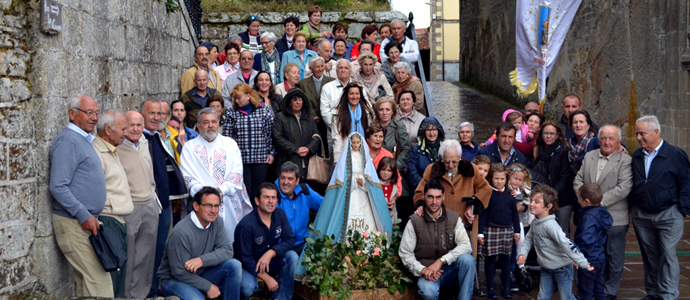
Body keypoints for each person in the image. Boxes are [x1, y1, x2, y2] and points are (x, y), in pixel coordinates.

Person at [50, 95, 112, 297]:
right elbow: (58, 186)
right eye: (89, 112)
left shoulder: (82, 139)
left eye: (96, 112)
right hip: (74, 222)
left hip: (85, 221)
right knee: (100, 287)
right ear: (72, 113)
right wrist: (83, 215)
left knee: (87, 286)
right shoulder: (69, 141)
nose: (94, 118)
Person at [629, 115, 689, 300]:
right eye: (637, 133)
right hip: (642, 215)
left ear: (656, 132)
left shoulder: (675, 154)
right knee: (650, 255)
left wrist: (682, 208)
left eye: (642, 133)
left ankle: (668, 295)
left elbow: (686, 181)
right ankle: (653, 293)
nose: (638, 137)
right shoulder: (637, 155)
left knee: (667, 254)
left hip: (669, 214)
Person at [573, 125, 633, 299]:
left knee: (613, 256)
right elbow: (578, 180)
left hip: (615, 217)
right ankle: (587, 290)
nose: (607, 142)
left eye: (611, 138)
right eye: (603, 138)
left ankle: (609, 291)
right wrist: (583, 199)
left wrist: (597, 203)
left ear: (619, 141)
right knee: (588, 253)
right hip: (588, 217)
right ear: (598, 140)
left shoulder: (625, 160)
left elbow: (624, 187)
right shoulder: (590, 156)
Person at [180, 107, 253, 241]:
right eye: (206, 122)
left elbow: (237, 172)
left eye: (214, 121)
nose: (210, 125)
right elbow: (187, 176)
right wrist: (207, 196)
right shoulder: (189, 147)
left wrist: (221, 190)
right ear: (198, 125)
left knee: (230, 241)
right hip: (202, 202)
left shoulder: (230, 144)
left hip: (228, 200)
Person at [413, 140, 493, 261]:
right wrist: (420, 205)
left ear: (460, 157)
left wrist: (472, 205)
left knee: (465, 260)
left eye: (455, 161)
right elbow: (420, 192)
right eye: (447, 161)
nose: (451, 165)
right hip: (439, 225)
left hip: (465, 224)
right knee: (442, 260)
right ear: (441, 158)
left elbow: (485, 189)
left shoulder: (471, 169)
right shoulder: (432, 170)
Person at [157, 187, 243, 300]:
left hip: (202, 272)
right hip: (173, 279)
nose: (213, 210)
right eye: (208, 205)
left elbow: (227, 250)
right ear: (196, 206)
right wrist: (208, 287)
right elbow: (179, 273)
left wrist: (201, 260)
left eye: (216, 206)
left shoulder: (217, 221)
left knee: (234, 265)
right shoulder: (181, 232)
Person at [399, 179, 476, 300]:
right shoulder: (415, 220)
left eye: (438, 197)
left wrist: (441, 261)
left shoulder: (453, 217)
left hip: (449, 268)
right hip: (427, 271)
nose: (434, 202)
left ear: (444, 197)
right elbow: (405, 252)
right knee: (427, 291)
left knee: (468, 260)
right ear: (424, 196)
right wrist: (423, 270)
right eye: (430, 197)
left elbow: (466, 245)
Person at [141, 99, 187, 297]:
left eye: (160, 114)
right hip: (148, 204)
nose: (157, 118)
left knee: (160, 248)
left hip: (164, 202)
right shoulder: (140, 139)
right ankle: (145, 291)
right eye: (152, 113)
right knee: (146, 250)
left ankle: (152, 288)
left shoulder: (159, 138)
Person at [311, 132, 393, 242]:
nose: (355, 145)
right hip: (350, 191)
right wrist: (354, 182)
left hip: (363, 193)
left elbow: (368, 175)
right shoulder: (345, 159)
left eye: (358, 143)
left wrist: (363, 182)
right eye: (353, 143)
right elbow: (343, 177)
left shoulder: (364, 157)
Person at [517, 185, 593, 300]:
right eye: (531, 200)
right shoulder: (535, 223)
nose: (531, 204)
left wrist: (582, 262)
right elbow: (528, 239)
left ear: (548, 206)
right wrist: (523, 254)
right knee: (543, 297)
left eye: (536, 202)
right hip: (546, 268)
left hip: (562, 268)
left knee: (566, 297)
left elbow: (566, 243)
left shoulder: (551, 226)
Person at [117, 111, 160, 299]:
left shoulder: (144, 143)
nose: (135, 129)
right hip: (129, 207)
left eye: (138, 125)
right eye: (131, 125)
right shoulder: (116, 148)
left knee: (146, 256)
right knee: (129, 256)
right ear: (124, 127)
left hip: (149, 205)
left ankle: (140, 295)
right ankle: (126, 296)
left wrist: (153, 197)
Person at [92, 110, 133, 298]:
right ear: (108, 130)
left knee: (120, 275)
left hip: (118, 220)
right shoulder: (96, 153)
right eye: (122, 128)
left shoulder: (110, 149)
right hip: (108, 220)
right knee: (112, 279)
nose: (126, 132)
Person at [235, 183, 297, 300]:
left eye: (273, 197)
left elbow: (290, 239)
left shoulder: (280, 214)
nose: (270, 201)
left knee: (292, 256)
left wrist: (271, 253)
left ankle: (281, 298)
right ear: (257, 201)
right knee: (247, 287)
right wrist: (267, 278)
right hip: (249, 266)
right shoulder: (246, 225)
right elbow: (245, 259)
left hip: (269, 262)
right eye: (266, 197)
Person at [223, 83, 275, 202]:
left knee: (259, 189)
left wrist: (271, 153)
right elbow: (228, 138)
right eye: (235, 98)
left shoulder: (263, 111)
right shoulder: (232, 113)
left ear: (248, 96)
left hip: (260, 158)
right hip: (241, 160)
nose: (237, 101)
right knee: (245, 189)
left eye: (239, 98)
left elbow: (270, 133)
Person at [478, 163, 520, 299]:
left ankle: (506, 287)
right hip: (490, 229)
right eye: (496, 178)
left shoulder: (510, 196)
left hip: (507, 230)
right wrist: (480, 232)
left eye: (502, 179)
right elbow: (482, 214)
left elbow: (515, 215)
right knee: (490, 260)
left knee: (505, 260)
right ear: (491, 178)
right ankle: (490, 288)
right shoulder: (488, 194)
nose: (499, 181)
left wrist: (517, 231)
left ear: (506, 179)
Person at [530, 121, 576, 236]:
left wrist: (552, 195)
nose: (548, 136)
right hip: (542, 197)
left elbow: (565, 177)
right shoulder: (537, 149)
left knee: (561, 231)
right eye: (546, 133)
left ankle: (563, 254)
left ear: (557, 135)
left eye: (551, 133)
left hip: (561, 198)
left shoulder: (563, 151)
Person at [574, 183, 613, 300]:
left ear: (587, 201)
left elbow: (585, 239)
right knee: (599, 289)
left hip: (588, 259)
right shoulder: (601, 213)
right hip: (600, 257)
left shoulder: (588, 217)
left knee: (586, 291)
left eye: (580, 199)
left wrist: (579, 257)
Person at [275, 162, 323, 255]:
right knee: (292, 257)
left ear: (297, 181)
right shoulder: (273, 195)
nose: (285, 182)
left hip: (304, 243)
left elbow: (325, 206)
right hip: (282, 245)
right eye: (282, 178)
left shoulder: (305, 190)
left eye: (290, 179)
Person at [272, 88, 320, 178]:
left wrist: (309, 148)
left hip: (307, 162)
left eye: (300, 100)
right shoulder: (280, 117)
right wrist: (295, 149)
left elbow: (316, 136)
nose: (298, 102)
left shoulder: (309, 118)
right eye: (295, 100)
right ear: (289, 102)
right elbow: (277, 138)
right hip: (286, 162)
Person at [320, 60, 370, 130]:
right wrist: (338, 128)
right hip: (336, 131)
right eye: (340, 68)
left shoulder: (359, 87)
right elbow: (325, 112)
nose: (343, 70)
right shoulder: (327, 88)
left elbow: (367, 107)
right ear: (336, 71)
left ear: (350, 71)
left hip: (358, 130)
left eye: (346, 68)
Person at [331, 83, 374, 163]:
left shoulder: (367, 113)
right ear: (346, 96)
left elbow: (369, 135)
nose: (355, 97)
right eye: (351, 94)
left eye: (357, 94)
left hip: (363, 153)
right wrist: (337, 159)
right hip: (345, 153)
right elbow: (337, 137)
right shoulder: (338, 114)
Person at [374, 96, 411, 172]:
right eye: (381, 109)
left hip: (393, 168)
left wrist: (395, 168)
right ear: (377, 111)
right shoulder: (372, 127)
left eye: (387, 109)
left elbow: (406, 148)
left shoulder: (398, 126)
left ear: (392, 111)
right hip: (375, 168)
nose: (384, 113)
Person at [407, 117, 445, 189]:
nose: (431, 133)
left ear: (439, 131)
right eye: (428, 130)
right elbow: (412, 173)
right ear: (423, 131)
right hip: (422, 190)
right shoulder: (416, 150)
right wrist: (426, 186)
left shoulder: (445, 149)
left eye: (434, 129)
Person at [366, 123, 402, 197]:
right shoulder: (359, 153)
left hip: (382, 195)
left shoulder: (387, 155)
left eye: (381, 136)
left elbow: (397, 177)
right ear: (368, 138)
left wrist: (395, 197)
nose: (378, 139)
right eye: (375, 136)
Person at [377, 157, 399, 221]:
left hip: (390, 219)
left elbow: (394, 207)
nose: (385, 173)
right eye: (383, 169)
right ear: (379, 170)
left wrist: (395, 220)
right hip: (378, 218)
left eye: (389, 170)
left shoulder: (394, 186)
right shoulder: (375, 184)